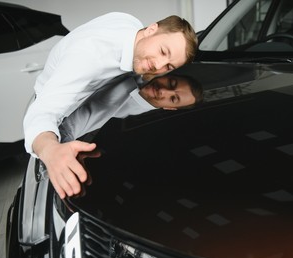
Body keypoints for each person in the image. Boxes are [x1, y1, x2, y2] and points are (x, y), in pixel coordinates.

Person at [23, 12, 198, 199]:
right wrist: (51, 151)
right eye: (163, 51)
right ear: (151, 29)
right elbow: (43, 112)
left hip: (89, 119)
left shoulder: (129, 22)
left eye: (169, 67)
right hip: (56, 128)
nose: (159, 66)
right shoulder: (89, 56)